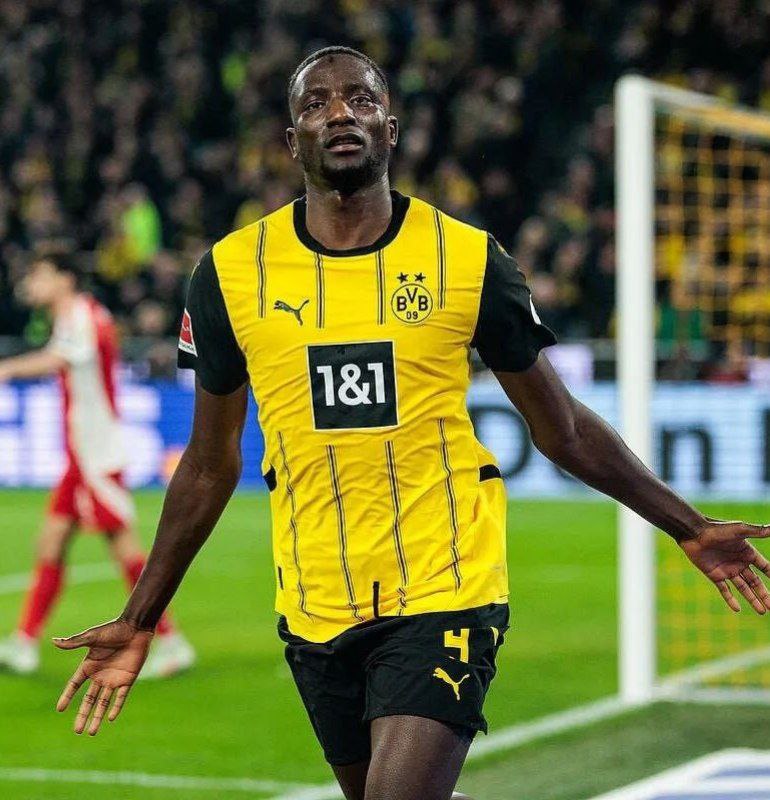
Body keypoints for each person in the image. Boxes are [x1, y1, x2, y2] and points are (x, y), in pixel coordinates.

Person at [53, 48, 770, 800]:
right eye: (316, 103)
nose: (340, 113)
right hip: (314, 600)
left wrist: (687, 525)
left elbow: (560, 428)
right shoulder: (230, 275)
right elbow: (208, 464)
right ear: (291, 141)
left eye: (360, 99)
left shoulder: (467, 259)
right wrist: (140, 617)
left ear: (390, 131)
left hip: (446, 581)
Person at [0, 251, 195, 679]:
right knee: (51, 544)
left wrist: (8, 369)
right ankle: (24, 642)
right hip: (81, 458)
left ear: (65, 278)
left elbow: (57, 359)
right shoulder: (73, 318)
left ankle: (171, 640)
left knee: (126, 550)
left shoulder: (84, 316)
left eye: (39, 275)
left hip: (97, 457)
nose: (31, 284)